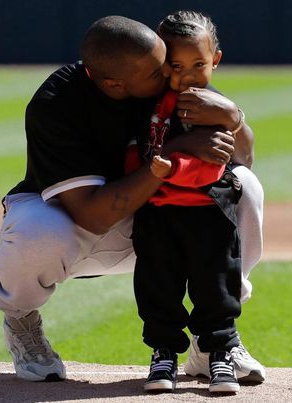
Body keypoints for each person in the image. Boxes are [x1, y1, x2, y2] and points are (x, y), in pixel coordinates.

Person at [0, 15, 263, 385]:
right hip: (77, 227)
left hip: (153, 224)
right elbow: (92, 216)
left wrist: (233, 118)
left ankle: (213, 340)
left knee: (242, 185)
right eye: (155, 71)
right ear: (114, 84)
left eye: (165, 60)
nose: (167, 72)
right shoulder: (56, 103)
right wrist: (174, 149)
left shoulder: (169, 85)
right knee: (36, 231)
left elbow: (241, 158)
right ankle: (21, 317)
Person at [124, 10, 254, 394]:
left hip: (208, 212)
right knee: (157, 286)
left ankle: (220, 355)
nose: (185, 76)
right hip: (158, 212)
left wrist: (232, 119)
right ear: (161, 64)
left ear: (215, 59)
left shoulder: (215, 106)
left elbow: (232, 160)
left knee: (216, 286)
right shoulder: (148, 105)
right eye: (174, 66)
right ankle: (163, 354)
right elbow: (135, 156)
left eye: (198, 64)